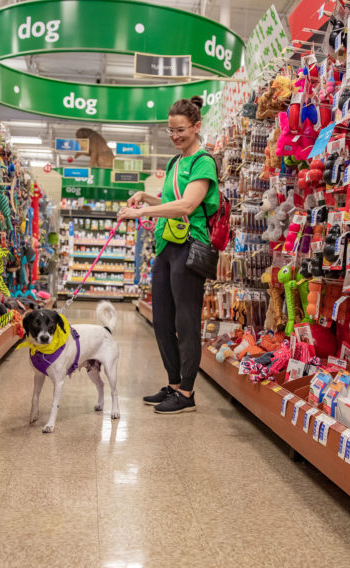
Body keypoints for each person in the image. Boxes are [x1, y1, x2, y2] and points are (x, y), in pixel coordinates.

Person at [117, 96, 219, 414]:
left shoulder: (204, 161)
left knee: (186, 322)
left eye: (181, 130)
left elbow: (186, 205)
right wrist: (145, 196)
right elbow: (167, 198)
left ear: (197, 127)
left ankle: (186, 392)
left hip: (189, 247)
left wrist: (141, 212)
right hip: (165, 247)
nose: (175, 136)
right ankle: (173, 383)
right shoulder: (175, 163)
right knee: (162, 320)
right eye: (170, 130)